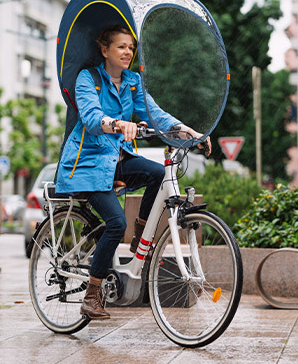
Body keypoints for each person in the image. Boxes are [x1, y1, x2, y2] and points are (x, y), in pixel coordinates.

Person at [55, 25, 211, 320]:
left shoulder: (131, 82)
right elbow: (90, 117)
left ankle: (142, 240)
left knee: (157, 174)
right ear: (104, 50)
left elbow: (154, 113)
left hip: (117, 157)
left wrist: (185, 129)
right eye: (120, 47)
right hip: (87, 163)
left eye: (130, 47)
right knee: (115, 223)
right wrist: (117, 124)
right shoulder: (88, 79)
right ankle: (92, 296)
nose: (127, 52)